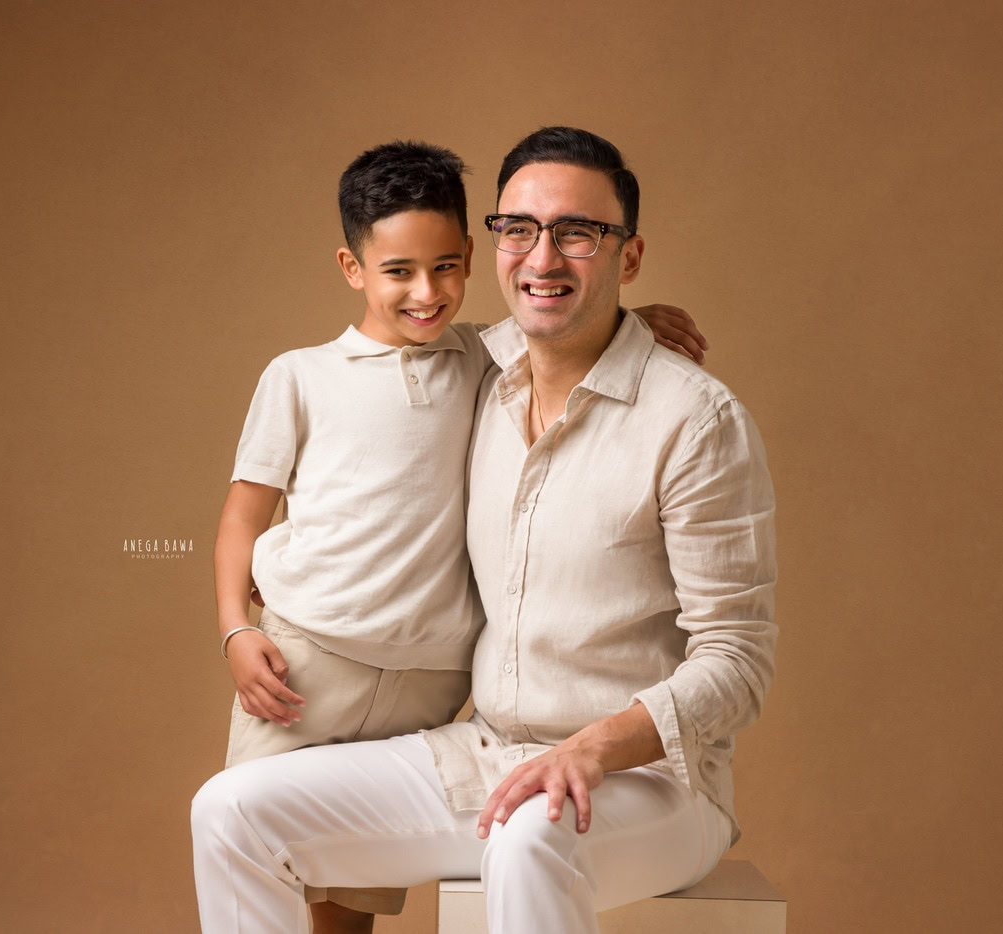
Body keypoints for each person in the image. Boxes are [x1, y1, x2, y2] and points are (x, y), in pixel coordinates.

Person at [192, 125, 776, 934]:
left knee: (529, 839)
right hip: (485, 751)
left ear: (629, 255)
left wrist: (594, 747)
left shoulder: (695, 421)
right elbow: (537, 318)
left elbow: (739, 662)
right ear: (494, 245)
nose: (543, 257)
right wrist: (238, 616)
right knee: (230, 810)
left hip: (650, 780)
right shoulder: (482, 375)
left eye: (579, 233)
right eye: (521, 230)